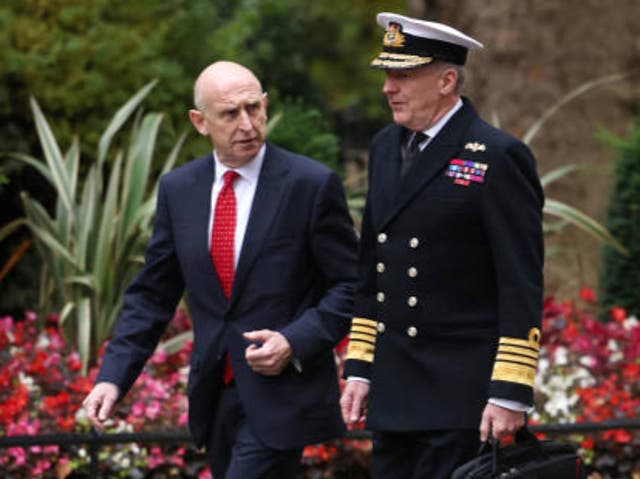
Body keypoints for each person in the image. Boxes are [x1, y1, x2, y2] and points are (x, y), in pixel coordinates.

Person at [82, 61, 358, 479]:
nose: (247, 124)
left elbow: (352, 285)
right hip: (215, 394)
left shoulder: (310, 184)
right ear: (200, 122)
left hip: (283, 397)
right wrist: (113, 378)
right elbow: (153, 294)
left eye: (254, 108)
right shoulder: (179, 189)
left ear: (265, 106)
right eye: (230, 114)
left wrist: (293, 340)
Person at [339, 12, 544, 479]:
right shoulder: (384, 147)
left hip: (460, 396)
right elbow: (372, 267)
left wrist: (509, 390)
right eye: (387, 74)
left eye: (404, 75)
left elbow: (520, 281)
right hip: (394, 392)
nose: (389, 87)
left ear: (447, 80)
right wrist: (360, 369)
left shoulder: (496, 155)